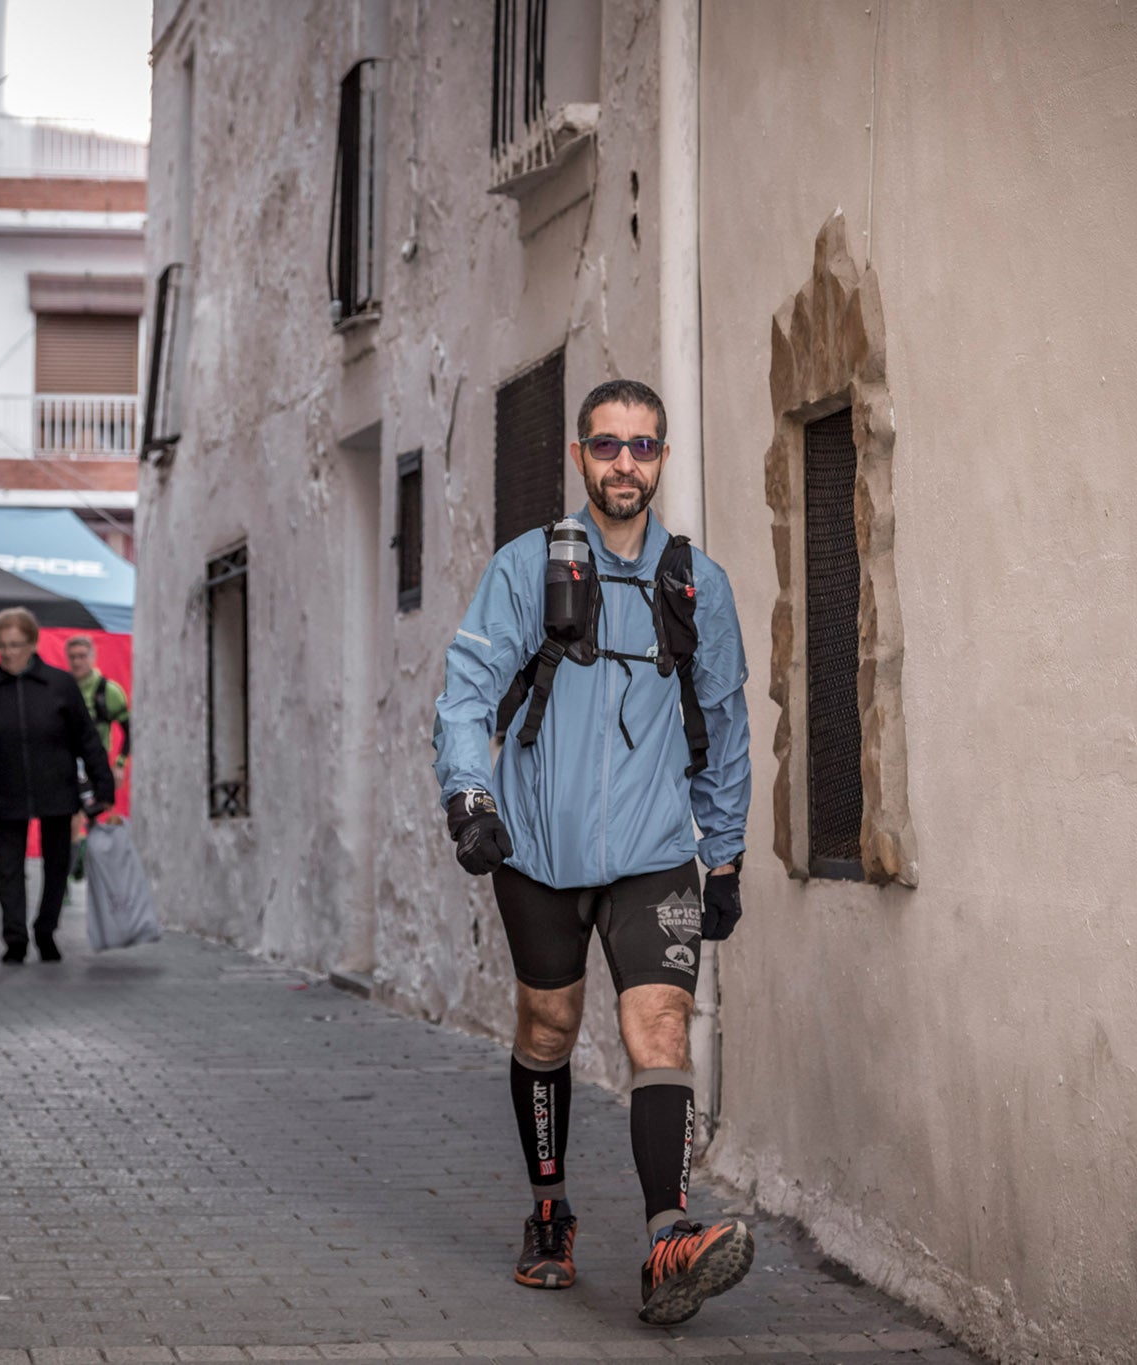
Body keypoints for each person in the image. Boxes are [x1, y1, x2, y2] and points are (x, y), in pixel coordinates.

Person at [432, 379, 755, 1326]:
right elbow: (465, 693)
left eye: (643, 446)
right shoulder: (528, 566)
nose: (626, 463)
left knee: (660, 1029)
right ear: (580, 455)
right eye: (607, 445)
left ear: (661, 458)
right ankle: (549, 1208)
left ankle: (668, 1238)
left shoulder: (697, 582)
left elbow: (726, 725)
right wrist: (471, 797)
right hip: (537, 849)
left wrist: (724, 853)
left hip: (655, 852)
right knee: (547, 1030)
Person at [0, 606, 114, 964]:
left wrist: (103, 785)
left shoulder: (59, 684)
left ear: (32, 643)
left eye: (15, 644)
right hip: (5, 786)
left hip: (57, 786)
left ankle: (46, 931)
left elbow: (87, 738)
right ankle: (14, 937)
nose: (8, 653)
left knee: (57, 864)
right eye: (1, 645)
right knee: (9, 868)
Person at [63, 634, 131, 881]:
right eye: (73, 657)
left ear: (92, 657)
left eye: (82, 656)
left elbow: (129, 730)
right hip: (67, 764)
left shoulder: (108, 691)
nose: (77, 662)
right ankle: (67, 880)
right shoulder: (63, 689)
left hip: (95, 764)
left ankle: (83, 862)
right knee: (70, 819)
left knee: (92, 818)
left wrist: (120, 764)